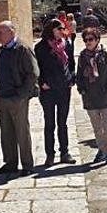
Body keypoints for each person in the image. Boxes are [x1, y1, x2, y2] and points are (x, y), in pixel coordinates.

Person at [0, 21, 40, 176]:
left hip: (18, 97)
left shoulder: (22, 49)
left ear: (12, 32)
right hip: (4, 97)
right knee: (6, 132)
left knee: (22, 131)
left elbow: (33, 73)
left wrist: (22, 94)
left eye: (2, 32)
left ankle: (27, 164)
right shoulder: (0, 51)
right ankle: (10, 162)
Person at [35, 19, 77, 166]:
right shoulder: (40, 47)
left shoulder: (66, 45)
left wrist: (72, 78)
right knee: (49, 123)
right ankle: (50, 155)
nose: (61, 31)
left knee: (62, 123)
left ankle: (64, 152)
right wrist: (42, 83)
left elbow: (71, 63)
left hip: (64, 88)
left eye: (62, 28)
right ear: (51, 30)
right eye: (59, 28)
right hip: (48, 90)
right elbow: (37, 68)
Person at [76, 28, 107, 166]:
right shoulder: (83, 56)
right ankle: (101, 150)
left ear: (97, 40)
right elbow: (79, 75)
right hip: (90, 97)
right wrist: (81, 89)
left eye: (90, 39)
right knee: (96, 127)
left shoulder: (106, 54)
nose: (88, 42)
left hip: (105, 96)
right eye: (85, 40)